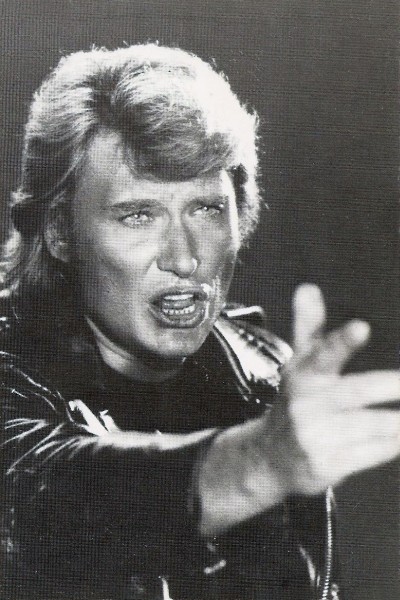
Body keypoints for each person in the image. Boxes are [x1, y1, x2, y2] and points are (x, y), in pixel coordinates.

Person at [0, 44, 398, 600]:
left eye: (207, 209)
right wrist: (262, 460)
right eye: (138, 215)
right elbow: (49, 500)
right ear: (60, 232)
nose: (185, 259)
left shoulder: (263, 369)